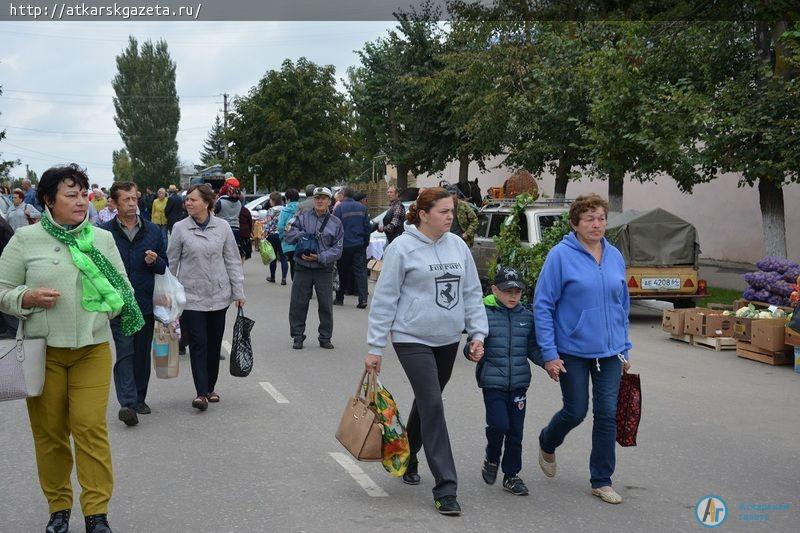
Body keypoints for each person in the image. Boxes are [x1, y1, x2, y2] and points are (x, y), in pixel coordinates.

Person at [0, 163, 143, 533]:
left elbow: (124, 293)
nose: (81, 202)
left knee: (89, 428)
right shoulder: (25, 240)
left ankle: (97, 514)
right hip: (42, 352)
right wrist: (26, 297)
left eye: (83, 194)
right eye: (71, 195)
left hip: (91, 350)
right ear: (49, 200)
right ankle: (58, 509)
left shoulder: (101, 239)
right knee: (49, 433)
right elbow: (2, 290)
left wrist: (105, 301)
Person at [364, 187, 488, 516]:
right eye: (444, 211)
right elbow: (385, 299)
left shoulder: (458, 246)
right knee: (433, 403)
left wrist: (478, 333)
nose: (451, 216)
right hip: (411, 337)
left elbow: (472, 293)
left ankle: (408, 455)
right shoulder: (402, 248)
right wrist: (375, 347)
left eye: (452, 211)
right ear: (423, 214)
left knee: (426, 402)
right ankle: (446, 486)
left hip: (447, 338)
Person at [534, 193, 632, 505]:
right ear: (575, 223)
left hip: (609, 351)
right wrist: (549, 353)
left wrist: (624, 347)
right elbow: (543, 304)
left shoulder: (615, 255)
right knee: (575, 411)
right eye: (589, 218)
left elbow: (621, 304)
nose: (597, 224)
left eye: (601, 218)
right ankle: (548, 440)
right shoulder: (560, 256)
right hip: (572, 350)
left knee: (607, 414)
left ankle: (601, 480)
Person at [168, 184, 245, 411]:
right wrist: (169, 295)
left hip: (219, 296)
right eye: (187, 200)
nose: (188, 203)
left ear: (207, 203)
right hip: (191, 297)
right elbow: (172, 263)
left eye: (193, 199)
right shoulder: (180, 228)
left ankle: (210, 387)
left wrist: (238, 292)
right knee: (199, 344)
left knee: (213, 344)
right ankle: (200, 393)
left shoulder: (222, 228)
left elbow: (232, 259)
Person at [466, 266, 542, 497]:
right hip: (492, 382)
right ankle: (491, 456)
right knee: (499, 425)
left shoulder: (527, 317)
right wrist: (472, 351)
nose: (512, 296)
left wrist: (550, 363)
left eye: (517, 292)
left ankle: (511, 475)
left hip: (519, 383)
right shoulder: (484, 314)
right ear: (494, 290)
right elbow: (471, 344)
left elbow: (533, 349)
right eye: (507, 291)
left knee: (515, 431)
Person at [101, 181, 168, 427]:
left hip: (145, 302)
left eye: (134, 199)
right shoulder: (104, 232)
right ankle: (127, 404)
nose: (132, 203)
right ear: (114, 203)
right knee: (125, 352)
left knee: (141, 354)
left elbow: (165, 265)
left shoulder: (151, 231)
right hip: (118, 304)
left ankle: (140, 397)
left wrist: (155, 261)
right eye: (126, 200)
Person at [284, 186, 343, 350]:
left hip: (324, 269)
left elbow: (338, 249)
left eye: (323, 198)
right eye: (317, 198)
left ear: (329, 202)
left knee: (325, 305)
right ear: (313, 200)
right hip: (302, 267)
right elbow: (287, 233)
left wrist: (320, 257)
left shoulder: (336, 223)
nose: (319, 201)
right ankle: (297, 336)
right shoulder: (301, 217)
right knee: (298, 304)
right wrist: (302, 236)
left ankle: (325, 337)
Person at [333, 187, 371, 309]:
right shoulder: (362, 208)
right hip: (358, 244)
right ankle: (363, 299)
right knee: (360, 272)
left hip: (344, 245)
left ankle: (339, 298)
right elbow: (367, 228)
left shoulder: (339, 208)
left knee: (342, 271)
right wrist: (365, 243)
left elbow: (335, 227)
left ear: (344, 195)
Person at [264, 191, 288, 285]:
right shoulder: (285, 209)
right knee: (283, 257)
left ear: (273, 200)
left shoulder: (271, 210)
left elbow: (268, 223)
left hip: (272, 235)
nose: (269, 201)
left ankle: (273, 277)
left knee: (272, 257)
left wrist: (264, 233)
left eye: (270, 199)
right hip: (283, 234)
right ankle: (284, 278)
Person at [277, 188, 300, 281]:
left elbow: (280, 226)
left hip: (289, 243)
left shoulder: (284, 211)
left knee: (292, 264)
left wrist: (282, 238)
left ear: (288, 199)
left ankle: (296, 287)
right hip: (301, 241)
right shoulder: (302, 209)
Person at [214, 185, 243, 254]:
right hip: (236, 228)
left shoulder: (220, 202)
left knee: (222, 252)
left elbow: (214, 211)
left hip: (222, 229)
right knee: (233, 253)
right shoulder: (239, 203)